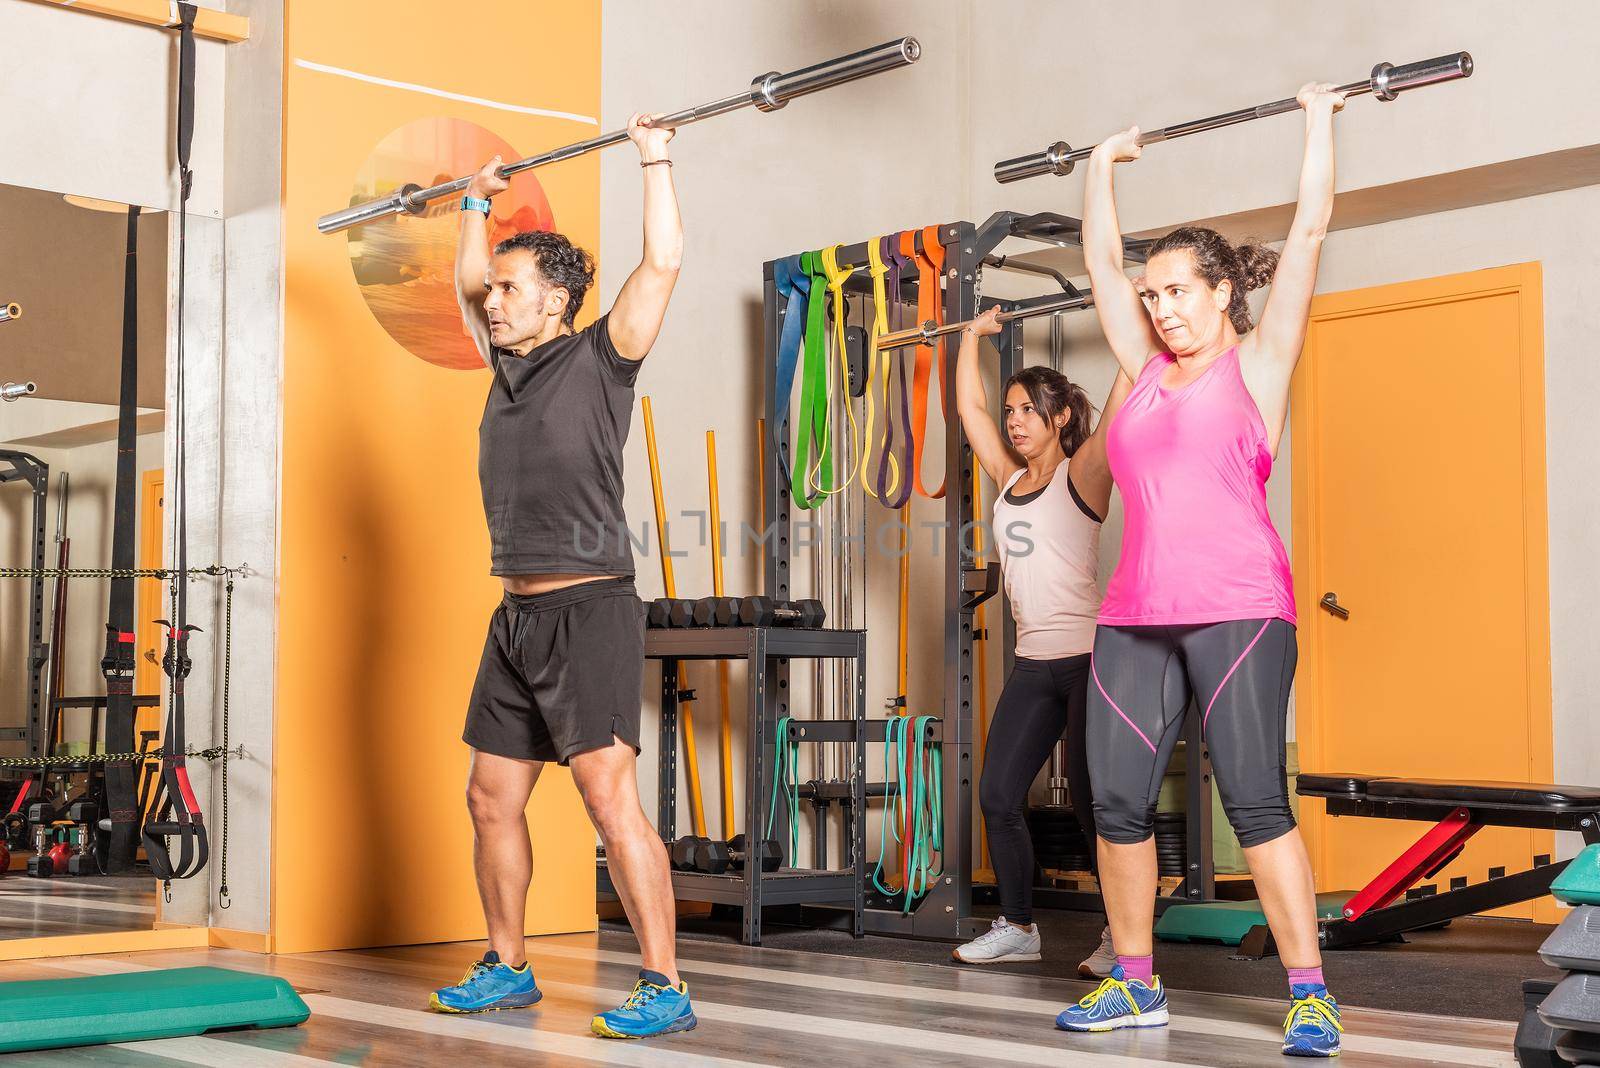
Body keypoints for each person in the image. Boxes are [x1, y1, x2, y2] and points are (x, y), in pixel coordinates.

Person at [1056, 83, 1346, 1059]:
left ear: (1222, 291)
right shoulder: (1141, 376)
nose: (1161, 307)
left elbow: (1306, 235)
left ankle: (1308, 992)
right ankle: (1135, 983)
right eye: (1152, 295)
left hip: (1238, 610)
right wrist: (1099, 166)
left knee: (1255, 797)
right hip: (1133, 612)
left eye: (1178, 289)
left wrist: (1318, 119)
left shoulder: (1257, 366)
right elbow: (1099, 258)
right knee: (1116, 803)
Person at [430, 113, 696, 1041]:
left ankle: (663, 982)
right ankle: (508, 965)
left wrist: (652, 157)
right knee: (488, 797)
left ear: (556, 301)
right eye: (494, 290)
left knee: (605, 798)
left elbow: (660, 264)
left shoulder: (599, 359)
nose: (493, 303)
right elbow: (469, 280)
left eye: (511, 290)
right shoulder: (500, 368)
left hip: (590, 609)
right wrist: (474, 205)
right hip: (515, 618)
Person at [948, 306, 1131, 976]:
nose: (1014, 420)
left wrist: (1132, 316)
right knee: (998, 795)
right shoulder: (1007, 481)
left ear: (1058, 417)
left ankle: (1121, 937)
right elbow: (968, 407)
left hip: (1088, 661)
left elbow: (1121, 398)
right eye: (1011, 409)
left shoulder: (1082, 475)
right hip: (1033, 664)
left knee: (1094, 805)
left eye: (1027, 409)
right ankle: (1020, 925)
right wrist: (970, 337)